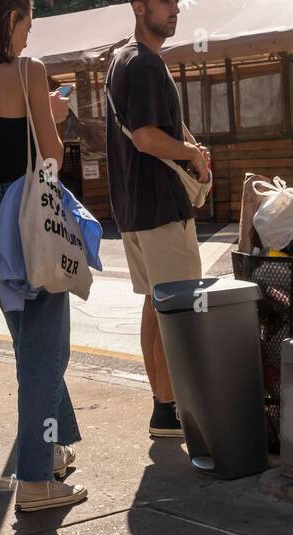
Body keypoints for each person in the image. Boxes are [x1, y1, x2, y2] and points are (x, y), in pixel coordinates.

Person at [0, 0, 87, 513]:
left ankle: (50, 450)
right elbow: (49, 160)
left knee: (32, 344)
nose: (30, 32)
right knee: (44, 354)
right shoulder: (30, 72)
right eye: (28, 20)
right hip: (30, 216)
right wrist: (54, 114)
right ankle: (33, 479)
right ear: (11, 18)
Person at [105, 0, 211, 439]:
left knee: (156, 304)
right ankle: (173, 409)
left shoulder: (120, 58)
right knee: (179, 311)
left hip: (133, 208)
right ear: (139, 5)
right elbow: (148, 137)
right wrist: (192, 154)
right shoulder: (145, 64)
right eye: (165, 2)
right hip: (160, 206)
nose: (175, 10)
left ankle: (163, 408)